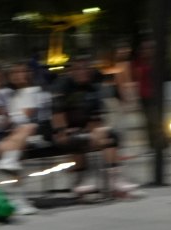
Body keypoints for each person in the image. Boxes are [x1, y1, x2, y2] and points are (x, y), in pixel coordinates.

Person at [50, 55, 138, 199]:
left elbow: (95, 117)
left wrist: (94, 131)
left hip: (85, 131)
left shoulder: (93, 88)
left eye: (86, 69)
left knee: (109, 136)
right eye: (79, 69)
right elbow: (57, 113)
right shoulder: (63, 86)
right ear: (72, 70)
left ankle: (114, 180)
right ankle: (83, 179)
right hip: (62, 132)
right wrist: (63, 131)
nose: (83, 72)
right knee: (78, 140)